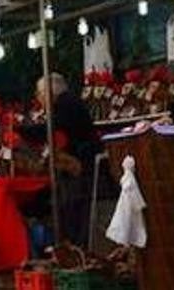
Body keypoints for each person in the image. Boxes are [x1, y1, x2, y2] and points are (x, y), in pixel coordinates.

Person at [29, 71, 110, 247]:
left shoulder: (65, 105)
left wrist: (24, 132)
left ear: (49, 93)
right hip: (79, 168)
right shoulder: (67, 103)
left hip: (82, 169)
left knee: (75, 212)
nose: (39, 99)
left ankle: (75, 248)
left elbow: (51, 130)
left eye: (40, 94)